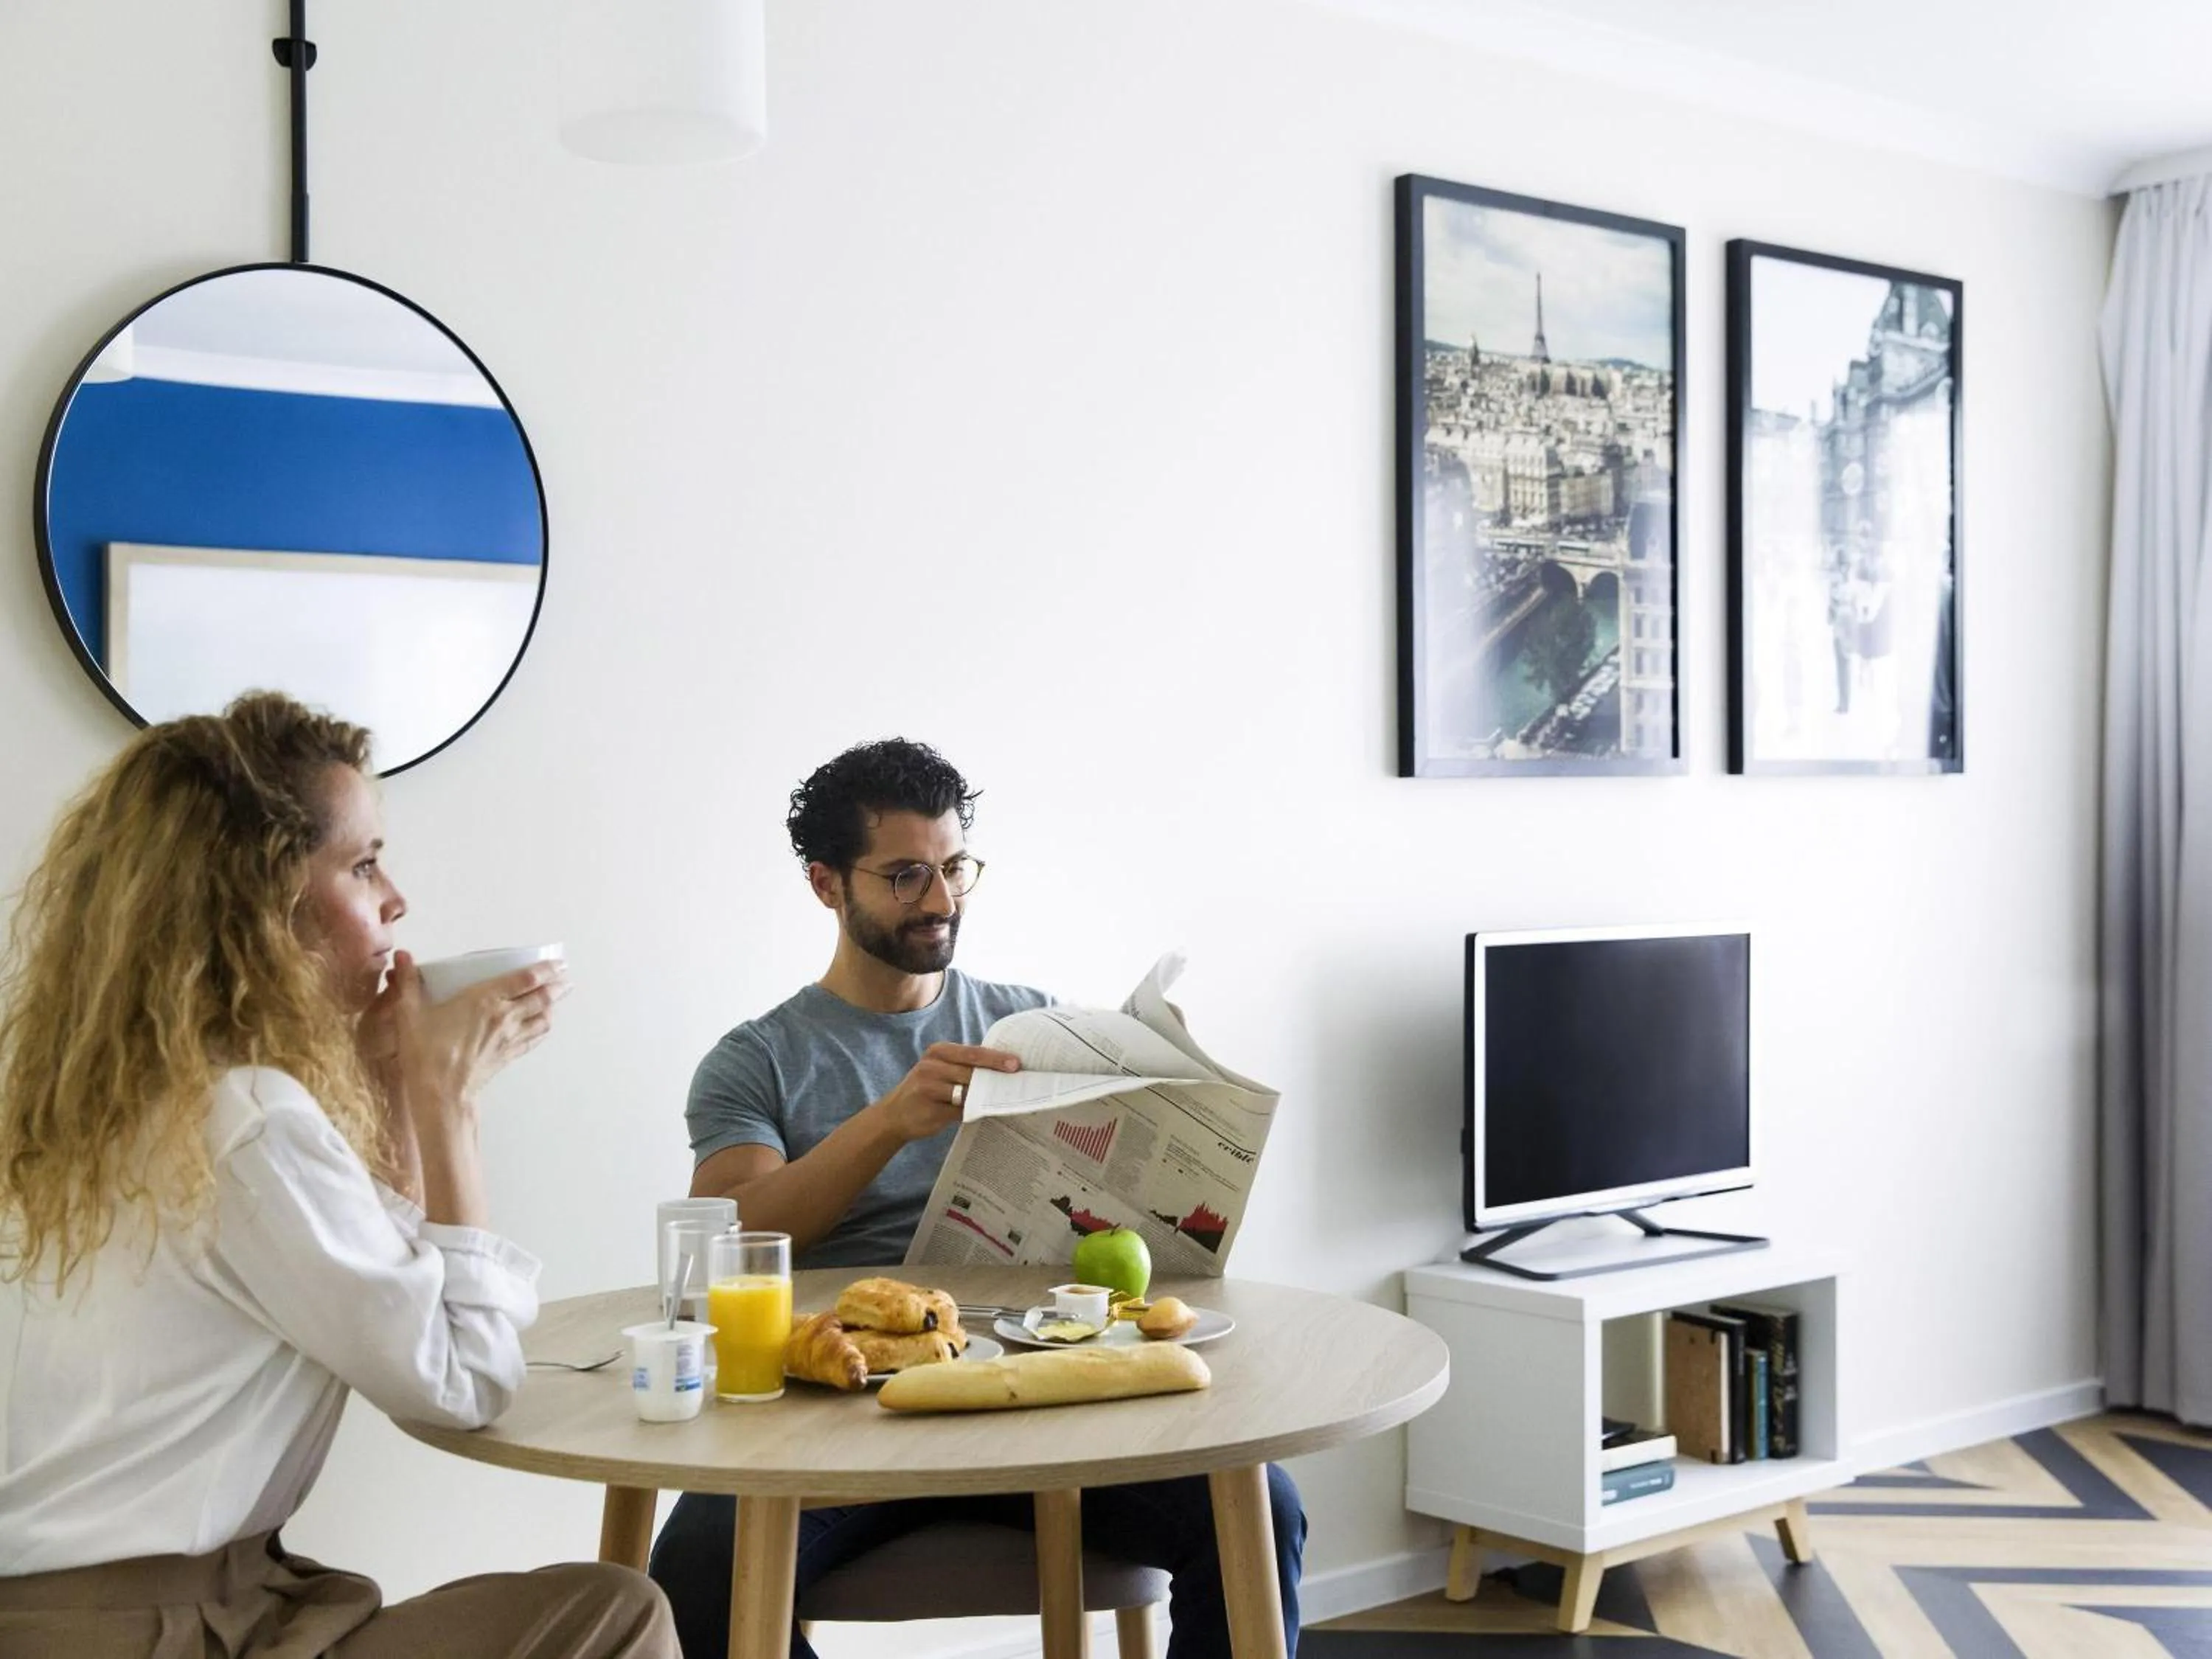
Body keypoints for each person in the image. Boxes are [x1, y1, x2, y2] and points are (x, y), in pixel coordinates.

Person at [0, 692, 676, 1658]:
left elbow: (394, 1293)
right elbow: (462, 1380)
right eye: (363, 865)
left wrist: (390, 1079)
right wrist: (449, 1102)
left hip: (86, 1612)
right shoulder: (248, 1120)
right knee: (615, 1612)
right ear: (261, 899)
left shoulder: (124, 1105)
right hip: (157, 1631)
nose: (396, 897)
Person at [647, 738, 1305, 1659]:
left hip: (1035, 1385)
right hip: (845, 1413)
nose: (942, 901)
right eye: (906, 875)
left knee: (1262, 1508)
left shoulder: (1029, 1025)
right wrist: (889, 1122)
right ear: (826, 884)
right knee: (696, 1565)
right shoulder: (757, 1059)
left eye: (955, 868)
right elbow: (735, 1235)